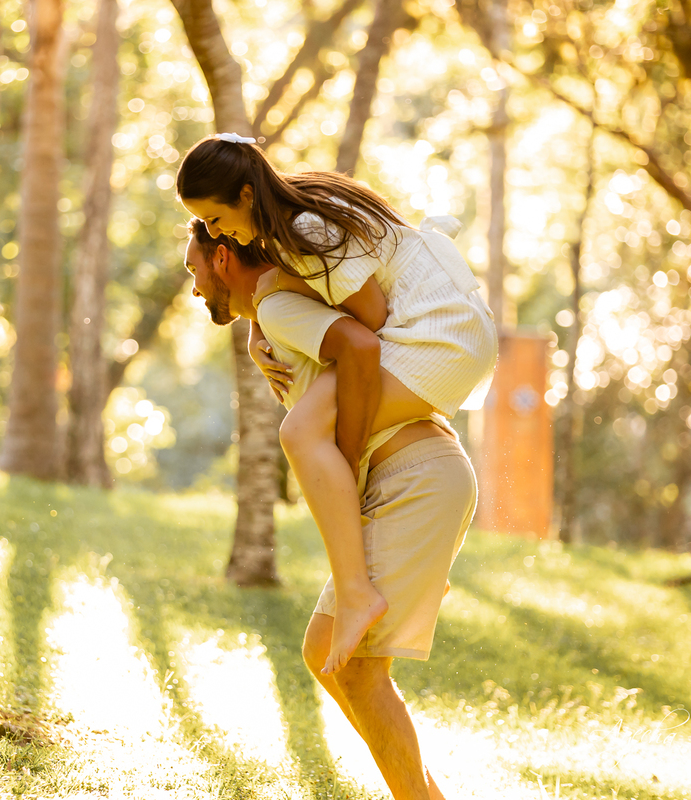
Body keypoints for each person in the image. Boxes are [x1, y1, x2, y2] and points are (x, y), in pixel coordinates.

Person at [177, 133, 497, 674]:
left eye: (215, 217)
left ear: (247, 195)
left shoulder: (304, 228)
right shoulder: (296, 209)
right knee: (316, 437)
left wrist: (269, 300)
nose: (215, 232)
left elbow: (369, 321)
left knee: (303, 434)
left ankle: (356, 593)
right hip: (446, 331)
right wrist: (262, 318)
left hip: (438, 338)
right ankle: (409, 573)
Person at [184, 219, 476, 799]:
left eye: (194, 270)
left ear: (222, 259)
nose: (194, 289)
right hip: (410, 477)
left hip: (413, 479)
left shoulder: (280, 307)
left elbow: (357, 338)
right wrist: (255, 325)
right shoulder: (284, 302)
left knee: (359, 671)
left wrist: (262, 317)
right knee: (325, 653)